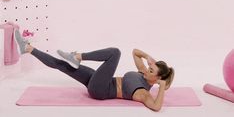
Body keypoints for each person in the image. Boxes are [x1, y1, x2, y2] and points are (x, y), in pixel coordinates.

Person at [14, 29, 174, 111]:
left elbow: (156, 107)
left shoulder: (143, 93)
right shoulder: (143, 73)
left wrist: (161, 88)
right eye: (149, 68)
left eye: (151, 71)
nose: (147, 70)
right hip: (99, 80)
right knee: (62, 65)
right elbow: (135, 52)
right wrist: (148, 58)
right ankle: (28, 48)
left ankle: (77, 56)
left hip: (101, 90)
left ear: (157, 79)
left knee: (115, 53)